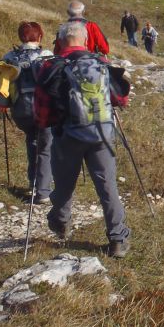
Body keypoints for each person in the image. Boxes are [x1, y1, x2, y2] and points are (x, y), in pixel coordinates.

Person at [34, 20, 130, 257]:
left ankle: (61, 221)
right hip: (102, 135)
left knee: (65, 184)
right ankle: (117, 239)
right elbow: (121, 99)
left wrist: (47, 125)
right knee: (107, 186)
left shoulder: (51, 66)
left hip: (68, 135)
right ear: (85, 40)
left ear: (61, 41)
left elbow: (42, 110)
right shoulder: (101, 63)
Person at [0, 22, 54, 204]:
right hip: (43, 109)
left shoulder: (10, 57)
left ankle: (33, 184)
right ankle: (42, 191)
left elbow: (0, 83)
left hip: (21, 110)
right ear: (39, 37)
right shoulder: (46, 56)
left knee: (31, 141)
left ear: (21, 37)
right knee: (45, 147)